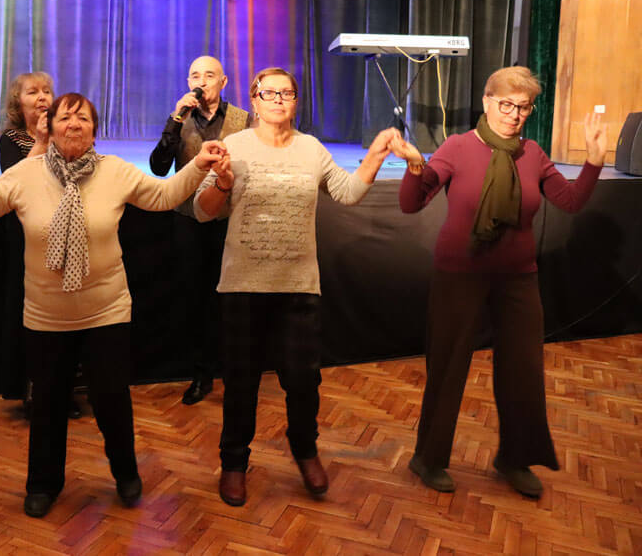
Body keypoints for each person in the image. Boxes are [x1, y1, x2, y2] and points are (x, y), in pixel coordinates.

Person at [0, 92, 226, 518]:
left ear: (94, 131)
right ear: (49, 127)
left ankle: (125, 474)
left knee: (112, 401)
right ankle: (43, 484)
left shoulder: (114, 171)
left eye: (83, 118)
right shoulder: (25, 174)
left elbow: (162, 197)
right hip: (46, 316)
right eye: (65, 117)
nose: (74, 124)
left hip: (106, 311)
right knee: (47, 404)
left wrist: (199, 166)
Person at [194, 66, 405, 506]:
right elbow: (203, 209)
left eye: (286, 93)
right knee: (241, 383)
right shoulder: (235, 145)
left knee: (304, 381)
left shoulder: (311, 149)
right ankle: (234, 462)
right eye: (268, 93)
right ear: (254, 101)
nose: (277, 100)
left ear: (295, 101)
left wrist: (376, 153)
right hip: (243, 286)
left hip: (298, 287)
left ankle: (305, 451)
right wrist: (225, 184)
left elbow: (347, 192)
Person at [394, 66, 605, 498]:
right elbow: (411, 204)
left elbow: (569, 201)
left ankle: (515, 458)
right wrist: (415, 166)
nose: (514, 114)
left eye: (523, 107)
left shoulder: (533, 154)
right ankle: (427, 458)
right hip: (460, 273)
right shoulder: (457, 147)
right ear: (487, 102)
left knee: (523, 370)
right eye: (506, 104)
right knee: (448, 367)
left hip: (518, 278)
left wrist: (594, 161)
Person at [149, 55, 251, 405]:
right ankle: (201, 373)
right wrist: (174, 120)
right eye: (195, 75)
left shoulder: (243, 120)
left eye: (209, 75)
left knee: (232, 299)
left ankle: (235, 371)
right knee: (194, 298)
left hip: (229, 221)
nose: (202, 81)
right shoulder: (180, 119)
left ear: (224, 82)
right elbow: (158, 167)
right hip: (188, 221)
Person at [0, 72, 83, 419]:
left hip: (64, 232)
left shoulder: (66, 134)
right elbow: (19, 181)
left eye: (47, 90)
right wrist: (44, 140)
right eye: (33, 92)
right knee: (33, 314)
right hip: (27, 236)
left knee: (65, 313)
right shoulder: (12, 139)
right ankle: (34, 391)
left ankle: (66, 389)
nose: (43, 97)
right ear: (18, 103)